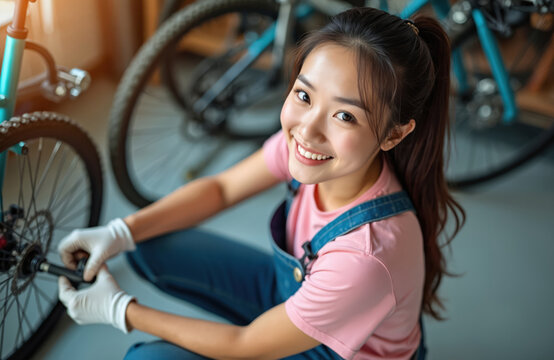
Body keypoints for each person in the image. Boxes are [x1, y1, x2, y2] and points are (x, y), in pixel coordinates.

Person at [58, 7, 465, 360]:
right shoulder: (311, 151)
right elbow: (221, 189)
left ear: (394, 134)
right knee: (146, 240)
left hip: (339, 353)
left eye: (345, 116)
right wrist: (119, 231)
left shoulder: (366, 258)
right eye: (304, 96)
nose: (307, 130)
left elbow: (245, 344)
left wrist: (119, 309)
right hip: (303, 295)